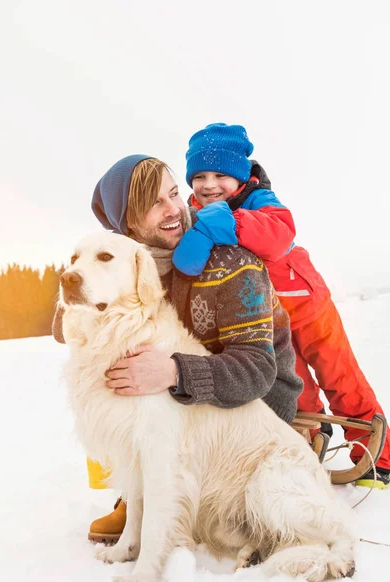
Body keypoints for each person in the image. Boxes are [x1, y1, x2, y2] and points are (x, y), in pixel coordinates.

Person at [53, 154, 303, 542]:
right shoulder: (125, 262)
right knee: (104, 375)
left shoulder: (229, 257)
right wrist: (81, 290)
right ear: (129, 223)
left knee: (141, 381)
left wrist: (174, 372)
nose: (176, 210)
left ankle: (159, 495)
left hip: (255, 410)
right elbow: (72, 329)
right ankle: (136, 487)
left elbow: (257, 371)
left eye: (173, 194)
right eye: (155, 203)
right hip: (183, 405)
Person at [172, 122, 390, 490]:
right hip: (265, 316)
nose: (209, 185)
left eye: (221, 174)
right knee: (292, 384)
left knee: (340, 377)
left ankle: (375, 458)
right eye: (200, 176)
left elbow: (276, 236)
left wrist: (225, 221)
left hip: (306, 303)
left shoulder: (260, 201)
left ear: (240, 176)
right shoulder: (194, 213)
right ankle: (307, 439)